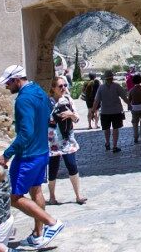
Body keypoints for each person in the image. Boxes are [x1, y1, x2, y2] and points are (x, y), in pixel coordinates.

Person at [0, 65, 64, 248]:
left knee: (13, 197)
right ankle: (38, 235)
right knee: (36, 190)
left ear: (17, 80)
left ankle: (52, 223)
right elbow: (49, 108)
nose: (6, 86)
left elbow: (25, 133)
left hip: (28, 155)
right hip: (42, 151)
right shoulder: (37, 90)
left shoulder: (23, 99)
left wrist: (6, 155)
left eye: (8, 82)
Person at [47, 76, 85, 205]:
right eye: (60, 86)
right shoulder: (47, 102)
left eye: (65, 85)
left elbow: (77, 119)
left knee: (72, 165)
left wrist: (71, 115)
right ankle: (52, 197)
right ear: (53, 88)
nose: (63, 88)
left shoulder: (68, 100)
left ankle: (78, 195)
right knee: (53, 168)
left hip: (67, 139)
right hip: (52, 141)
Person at [92, 71, 129, 153]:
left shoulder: (101, 88)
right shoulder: (117, 86)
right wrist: (129, 104)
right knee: (115, 129)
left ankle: (107, 143)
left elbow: (96, 101)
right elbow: (124, 97)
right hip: (116, 111)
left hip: (105, 111)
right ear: (112, 78)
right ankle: (115, 146)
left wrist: (92, 111)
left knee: (106, 129)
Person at [129, 73, 141, 143]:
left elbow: (129, 101)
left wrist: (130, 108)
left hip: (135, 108)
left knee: (135, 123)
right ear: (140, 81)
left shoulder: (131, 90)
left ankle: (136, 137)